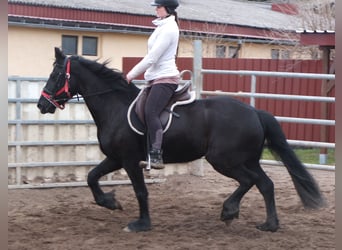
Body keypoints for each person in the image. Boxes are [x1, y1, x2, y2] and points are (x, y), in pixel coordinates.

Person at [126, 0, 180, 169]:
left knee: (151, 111)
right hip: (155, 77)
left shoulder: (169, 29)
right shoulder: (161, 27)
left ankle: (156, 154)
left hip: (166, 78)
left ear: (168, 9)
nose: (156, 9)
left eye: (159, 6)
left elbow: (152, 58)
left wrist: (131, 74)